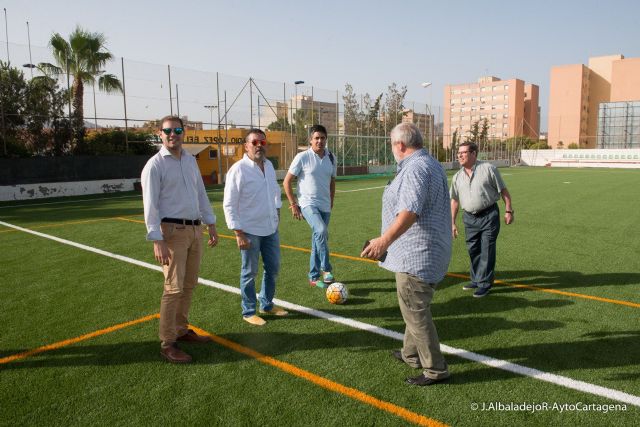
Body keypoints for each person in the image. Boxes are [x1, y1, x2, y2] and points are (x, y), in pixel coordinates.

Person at [361, 123, 451, 386]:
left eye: (391, 144)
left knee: (415, 312)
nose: (391, 148)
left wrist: (383, 241)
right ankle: (410, 354)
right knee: (414, 308)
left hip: (417, 255)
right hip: (429, 251)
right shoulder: (430, 163)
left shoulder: (415, 168)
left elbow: (409, 212)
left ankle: (435, 369)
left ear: (400, 145)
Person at [141, 115, 218, 364]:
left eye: (177, 130)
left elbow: (201, 193)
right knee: (173, 288)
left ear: (183, 132)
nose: (172, 134)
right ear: (159, 134)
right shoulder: (154, 165)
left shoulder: (189, 160)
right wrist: (157, 239)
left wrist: (211, 223)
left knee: (189, 284)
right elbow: (150, 205)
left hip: (195, 230)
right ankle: (168, 342)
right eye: (167, 131)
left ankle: (182, 330)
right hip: (171, 232)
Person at [223, 128, 288, 326]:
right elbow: (229, 203)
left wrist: (277, 212)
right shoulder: (238, 170)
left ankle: (266, 304)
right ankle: (249, 310)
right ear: (246, 146)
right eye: (255, 143)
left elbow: (275, 192)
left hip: (270, 229)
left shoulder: (268, 166)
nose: (259, 146)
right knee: (249, 272)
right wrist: (238, 232)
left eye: (263, 142)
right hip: (249, 231)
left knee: (273, 269)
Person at [450, 141, 514, 298]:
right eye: (459, 153)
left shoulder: (488, 169)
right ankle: (477, 279)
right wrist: (452, 222)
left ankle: (485, 284)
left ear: (473, 154)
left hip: (488, 215)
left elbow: (504, 191)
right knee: (473, 249)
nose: (460, 155)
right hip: (469, 218)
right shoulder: (457, 177)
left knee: (486, 249)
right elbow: (455, 201)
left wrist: (508, 210)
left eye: (463, 152)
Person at [283, 124, 337, 288]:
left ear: (326, 139)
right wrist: (293, 204)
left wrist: (331, 201)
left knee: (317, 239)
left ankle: (313, 277)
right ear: (310, 140)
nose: (320, 141)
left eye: (322, 138)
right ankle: (326, 269)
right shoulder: (302, 157)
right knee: (321, 231)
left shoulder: (332, 157)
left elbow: (332, 182)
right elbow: (287, 182)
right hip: (307, 204)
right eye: (316, 138)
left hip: (325, 205)